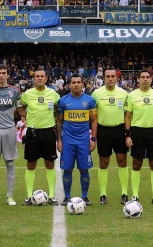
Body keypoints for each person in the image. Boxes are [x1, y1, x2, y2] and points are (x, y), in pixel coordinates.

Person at [0, 64, 26, 206]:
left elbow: (20, 110)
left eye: (4, 73)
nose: (1, 75)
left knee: (10, 162)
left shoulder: (15, 91)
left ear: (8, 75)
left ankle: (10, 196)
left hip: (9, 130)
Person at [125, 69, 153, 205]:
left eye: (147, 77)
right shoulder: (132, 95)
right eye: (142, 77)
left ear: (151, 79)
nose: (145, 79)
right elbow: (128, 116)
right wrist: (128, 135)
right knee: (137, 163)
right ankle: (135, 196)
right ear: (138, 79)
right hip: (137, 132)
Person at [21, 69, 60, 206]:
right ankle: (28, 195)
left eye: (42, 76)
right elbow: (20, 108)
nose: (39, 78)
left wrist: (56, 119)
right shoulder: (27, 94)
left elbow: (58, 111)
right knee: (31, 163)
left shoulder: (53, 94)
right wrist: (28, 116)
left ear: (46, 78)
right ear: (34, 79)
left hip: (49, 132)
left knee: (49, 163)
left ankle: (52, 195)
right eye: (37, 76)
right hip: (33, 133)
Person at [57, 74, 98, 206]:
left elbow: (94, 121)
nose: (76, 85)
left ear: (82, 84)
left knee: (84, 169)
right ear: (69, 84)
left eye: (78, 82)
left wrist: (93, 139)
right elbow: (59, 121)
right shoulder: (63, 101)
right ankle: (67, 197)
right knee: (67, 169)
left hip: (84, 141)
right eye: (73, 82)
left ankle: (84, 196)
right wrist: (59, 140)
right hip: (68, 141)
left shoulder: (90, 101)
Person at [91, 69, 129, 205]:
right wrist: (93, 137)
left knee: (122, 160)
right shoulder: (96, 94)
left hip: (119, 129)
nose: (110, 79)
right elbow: (93, 116)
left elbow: (128, 115)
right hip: (103, 131)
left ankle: (124, 193)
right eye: (108, 76)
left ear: (117, 78)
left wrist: (128, 134)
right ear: (104, 78)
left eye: (113, 76)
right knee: (103, 162)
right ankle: (103, 194)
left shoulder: (124, 93)